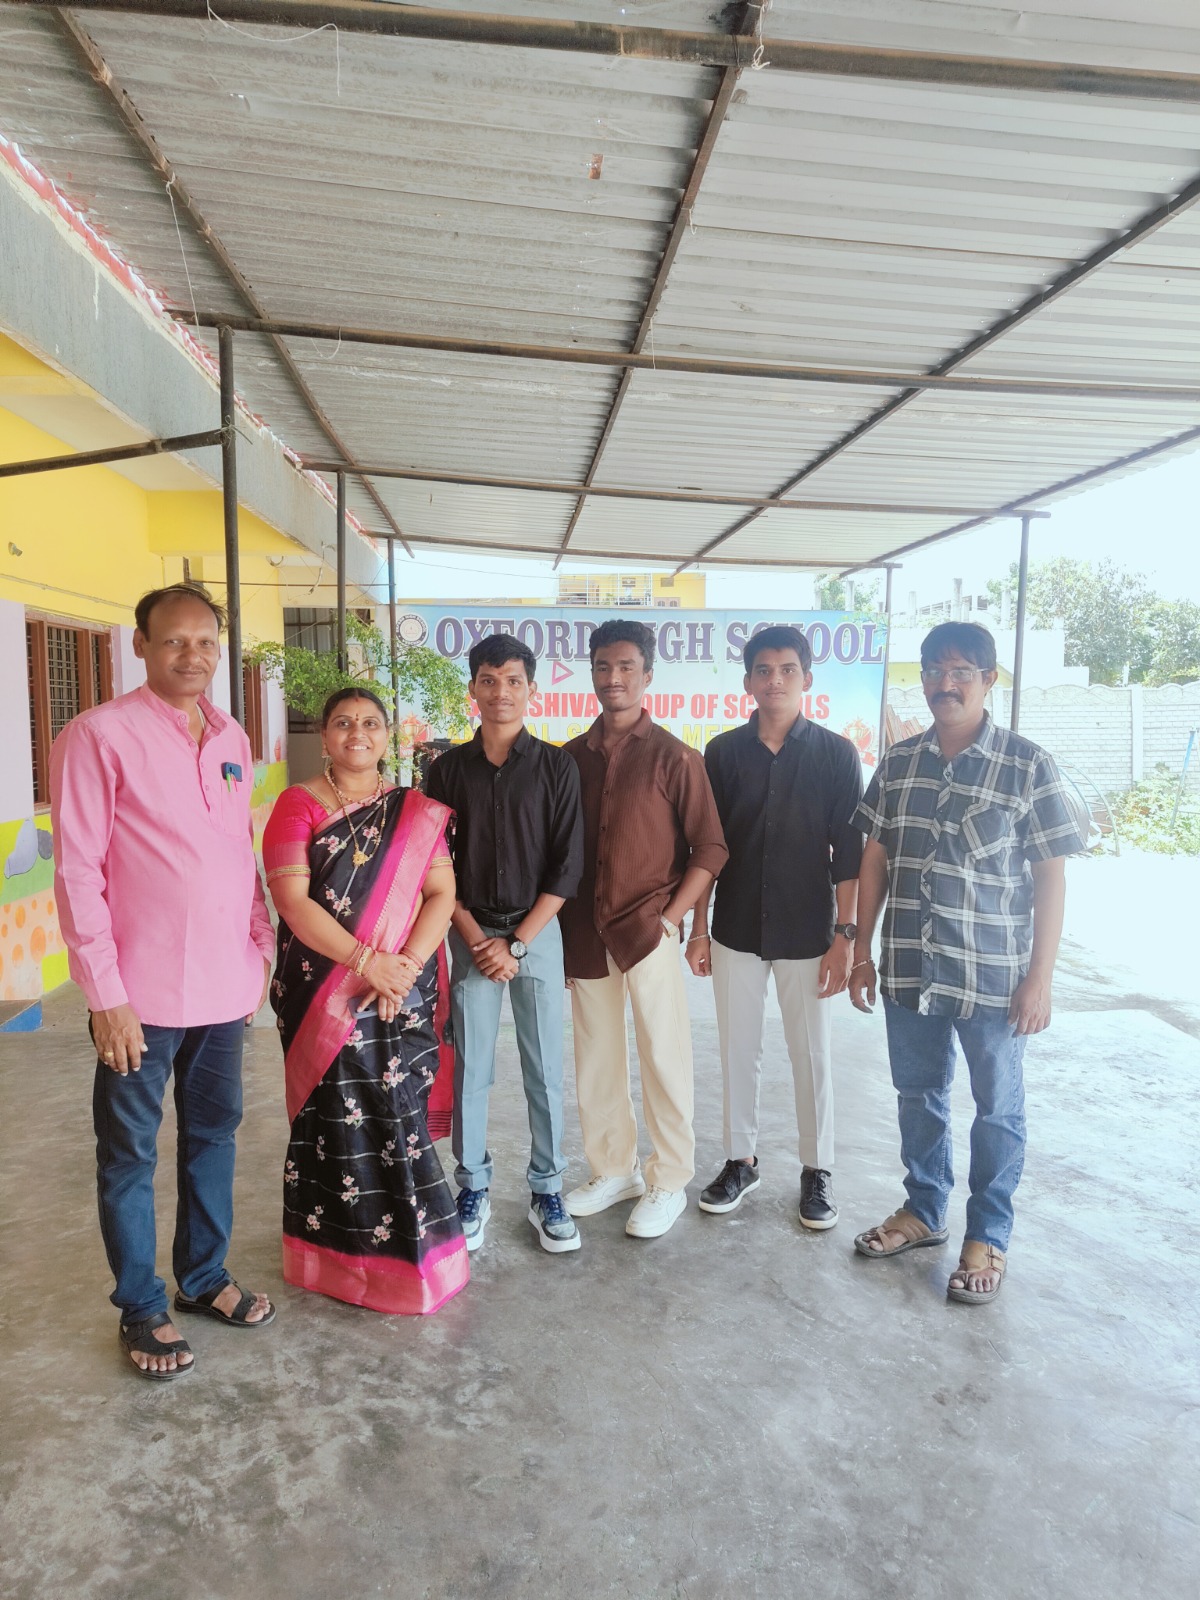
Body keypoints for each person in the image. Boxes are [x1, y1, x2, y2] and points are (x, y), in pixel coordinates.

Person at [50, 584, 277, 1381]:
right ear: (140, 645)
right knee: (130, 1154)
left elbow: (238, 849)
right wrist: (104, 995)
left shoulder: (231, 736)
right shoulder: (98, 735)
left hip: (225, 987)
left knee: (213, 1138)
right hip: (138, 996)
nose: (192, 655)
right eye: (174, 640)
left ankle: (203, 1277)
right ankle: (142, 1306)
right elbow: (78, 871)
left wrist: (259, 947)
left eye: (206, 642)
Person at [849, 622, 1088, 1305]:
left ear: (988, 680)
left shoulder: (1027, 765)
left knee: (997, 1109)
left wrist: (1040, 978)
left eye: (960, 671)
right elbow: (875, 859)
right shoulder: (899, 762)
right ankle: (924, 1211)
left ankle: (988, 1235)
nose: (944, 683)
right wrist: (859, 951)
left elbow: (1050, 877)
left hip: (993, 978)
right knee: (917, 1095)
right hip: (909, 969)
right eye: (934, 670)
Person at [262, 688, 469, 1315]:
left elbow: (442, 893)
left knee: (397, 1113)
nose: (358, 732)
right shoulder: (297, 805)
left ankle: (415, 1260)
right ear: (325, 736)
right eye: (344, 722)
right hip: (323, 990)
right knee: (334, 1115)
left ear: (388, 735)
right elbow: (292, 902)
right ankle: (331, 1259)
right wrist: (365, 963)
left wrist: (401, 969)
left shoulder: (414, 811)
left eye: (371, 722)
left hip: (400, 987)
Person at [688, 625, 863, 1229]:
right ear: (748, 682)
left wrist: (845, 936)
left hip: (808, 929)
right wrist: (698, 927)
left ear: (807, 679)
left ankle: (818, 1169)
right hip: (735, 925)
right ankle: (741, 1160)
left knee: (811, 1052)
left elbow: (849, 853)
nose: (775, 680)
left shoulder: (836, 754)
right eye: (764, 670)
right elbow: (708, 847)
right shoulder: (723, 753)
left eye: (788, 669)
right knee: (737, 1048)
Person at [560, 619, 728, 1239]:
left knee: (663, 1054)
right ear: (592, 674)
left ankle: (669, 1180)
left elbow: (710, 847)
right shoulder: (569, 760)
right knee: (596, 1055)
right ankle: (614, 1170)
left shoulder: (675, 758)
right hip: (584, 930)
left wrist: (671, 918)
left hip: (648, 929)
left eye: (626, 666)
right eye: (603, 667)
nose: (614, 678)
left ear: (648, 675)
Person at [425, 634, 584, 1255]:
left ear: (531, 690)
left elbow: (567, 867)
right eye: (488, 680)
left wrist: (515, 944)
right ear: (473, 689)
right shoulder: (446, 771)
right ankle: (472, 1186)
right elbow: (434, 864)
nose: (501, 693)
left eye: (513, 680)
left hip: (536, 934)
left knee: (544, 1068)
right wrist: (475, 938)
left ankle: (548, 1189)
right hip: (469, 933)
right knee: (472, 1067)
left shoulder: (556, 768)